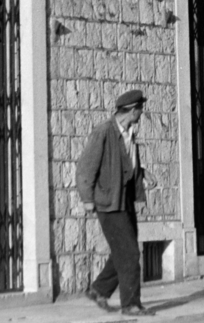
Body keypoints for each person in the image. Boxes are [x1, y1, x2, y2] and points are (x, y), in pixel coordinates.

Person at [78, 88, 152, 316]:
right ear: (130, 110)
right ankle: (130, 304)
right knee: (130, 253)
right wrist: (87, 199)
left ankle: (98, 290)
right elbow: (85, 168)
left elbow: (124, 163)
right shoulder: (103, 132)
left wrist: (143, 173)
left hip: (125, 201)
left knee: (123, 250)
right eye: (139, 109)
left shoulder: (129, 133)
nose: (141, 114)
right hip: (108, 203)